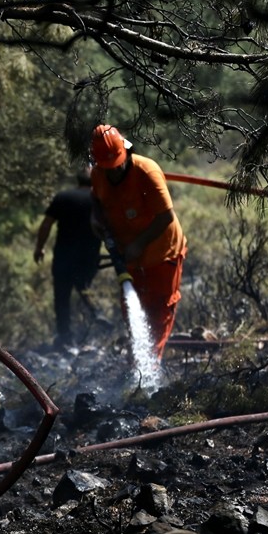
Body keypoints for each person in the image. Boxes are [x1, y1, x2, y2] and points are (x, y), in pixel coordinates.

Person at [89, 124, 187, 361]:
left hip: (162, 253)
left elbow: (166, 216)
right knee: (132, 310)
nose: (113, 172)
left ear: (125, 151)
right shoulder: (98, 174)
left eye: (116, 165)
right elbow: (97, 202)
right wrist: (96, 221)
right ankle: (138, 359)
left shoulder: (146, 171)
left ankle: (150, 367)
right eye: (107, 168)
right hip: (129, 256)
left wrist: (138, 244)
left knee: (159, 309)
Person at [33, 166, 103, 347]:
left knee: (62, 298)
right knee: (85, 289)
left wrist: (39, 248)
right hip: (88, 258)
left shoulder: (63, 197)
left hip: (64, 257)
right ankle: (100, 322)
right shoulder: (99, 199)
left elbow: (46, 224)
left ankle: (66, 337)